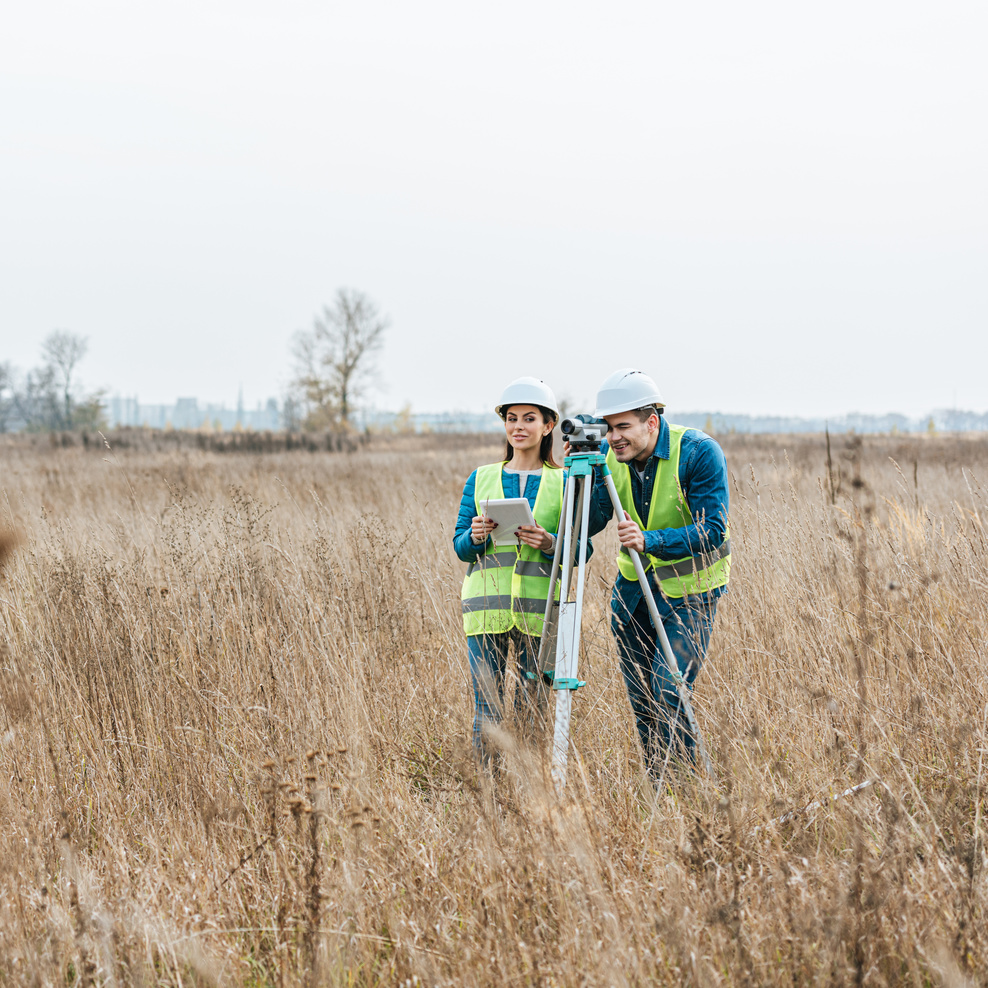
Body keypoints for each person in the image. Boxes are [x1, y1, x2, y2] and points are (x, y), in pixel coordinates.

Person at [584, 368, 731, 777]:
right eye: (608, 428)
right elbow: (593, 519)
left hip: (691, 595)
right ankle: (659, 787)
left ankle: (686, 786)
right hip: (632, 593)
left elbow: (713, 529)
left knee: (670, 691)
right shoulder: (608, 460)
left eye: (623, 427)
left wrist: (651, 541)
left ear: (652, 422)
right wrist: (579, 473)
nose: (614, 438)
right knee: (644, 700)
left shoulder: (699, 452)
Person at [453, 377, 564, 763]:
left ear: (548, 425)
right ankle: (490, 795)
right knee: (488, 712)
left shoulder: (565, 482)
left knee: (532, 712)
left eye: (529, 418)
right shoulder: (480, 477)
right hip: (486, 610)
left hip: (540, 611)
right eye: (511, 418)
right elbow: (461, 548)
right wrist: (476, 534)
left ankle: (529, 790)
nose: (518, 426)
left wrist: (549, 543)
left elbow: (580, 548)